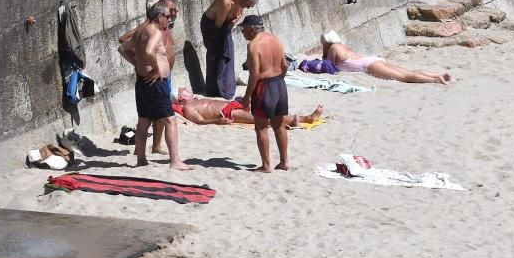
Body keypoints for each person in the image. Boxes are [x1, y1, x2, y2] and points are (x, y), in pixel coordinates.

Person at [119, 2, 192, 170]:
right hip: (155, 83)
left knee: (144, 121)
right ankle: (175, 161)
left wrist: (137, 64)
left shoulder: (140, 31)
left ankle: (141, 159)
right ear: (159, 16)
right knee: (170, 120)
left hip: (143, 82)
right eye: (167, 16)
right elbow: (149, 51)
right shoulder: (155, 32)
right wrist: (157, 68)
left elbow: (122, 48)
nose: (169, 19)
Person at [239, 15, 289, 172]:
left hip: (263, 87)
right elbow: (285, 65)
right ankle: (284, 162)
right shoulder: (275, 39)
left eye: (244, 29)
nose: (242, 33)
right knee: (279, 125)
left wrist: (247, 97)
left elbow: (254, 74)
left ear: (251, 29)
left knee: (261, 127)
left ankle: (266, 165)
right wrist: (279, 80)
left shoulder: (253, 46)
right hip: (280, 85)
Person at [320, 31, 454, 84]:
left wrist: (323, 55)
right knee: (409, 72)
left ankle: (435, 80)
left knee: (405, 78)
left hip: (368, 66)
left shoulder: (333, 48)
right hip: (374, 60)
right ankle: (440, 75)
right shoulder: (342, 46)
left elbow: (329, 67)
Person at [200, 0, 258, 99]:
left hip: (225, 26)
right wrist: (233, 21)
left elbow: (234, 19)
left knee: (228, 54)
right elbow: (218, 26)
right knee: (215, 54)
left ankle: (224, 88)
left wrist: (235, 20)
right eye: (248, 5)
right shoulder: (226, 2)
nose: (248, 7)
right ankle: (213, 89)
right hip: (212, 26)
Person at [176, 87, 323, 128]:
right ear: (181, 97)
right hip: (229, 113)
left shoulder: (197, 100)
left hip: (234, 105)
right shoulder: (188, 108)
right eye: (184, 89)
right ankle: (305, 119)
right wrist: (216, 122)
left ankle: (292, 118)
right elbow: (200, 121)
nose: (187, 88)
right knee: (262, 119)